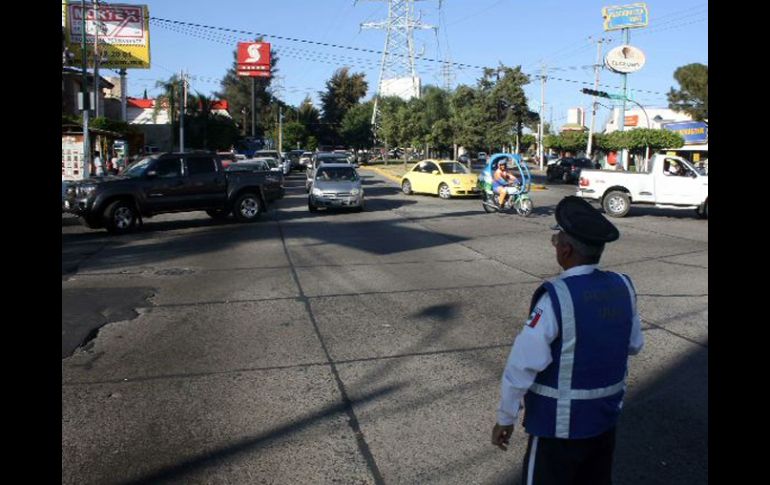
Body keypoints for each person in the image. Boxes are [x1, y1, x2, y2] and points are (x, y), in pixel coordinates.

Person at [491, 196, 644, 485]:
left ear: (566, 249)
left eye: (556, 241)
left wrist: (505, 417)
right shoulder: (623, 286)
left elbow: (522, 366)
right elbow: (635, 345)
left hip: (557, 431)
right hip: (604, 423)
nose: (555, 247)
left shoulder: (556, 297)